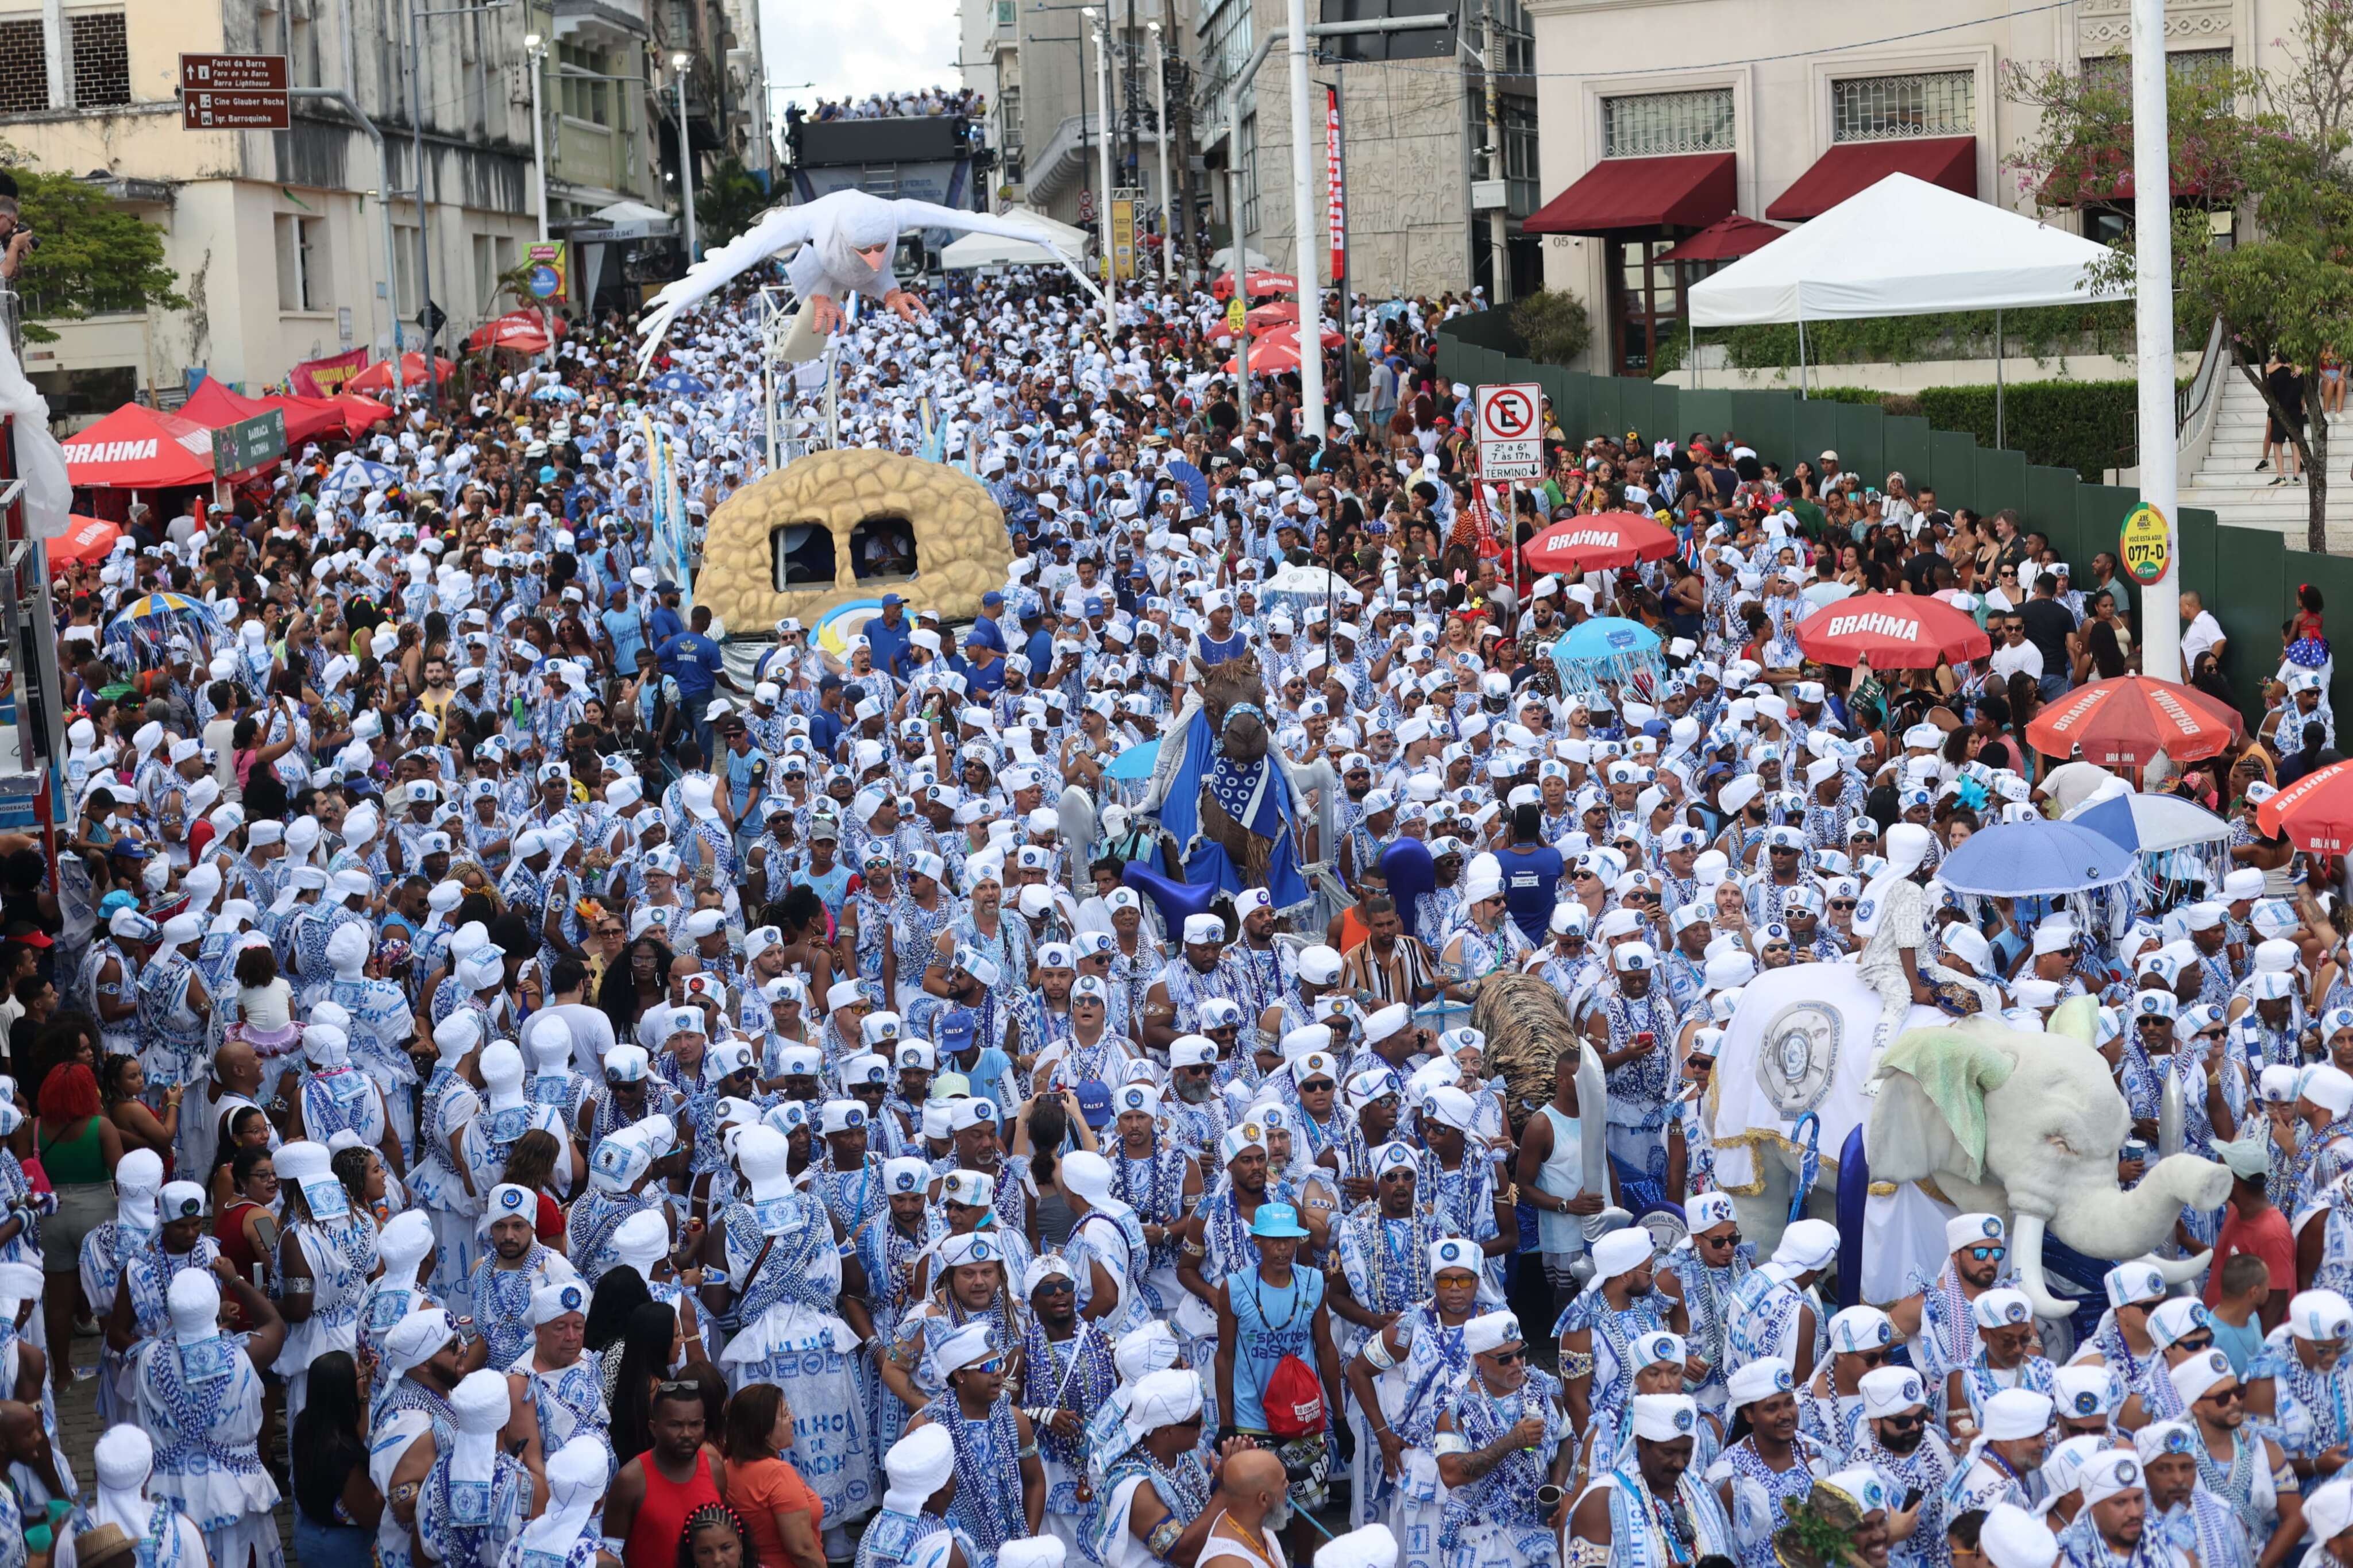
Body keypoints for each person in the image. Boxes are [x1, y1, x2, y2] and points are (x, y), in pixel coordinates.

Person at [606, 1379, 730, 1568]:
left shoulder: (715, 1471)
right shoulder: (630, 1481)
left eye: (695, 1425)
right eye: (675, 1425)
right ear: (654, 1428)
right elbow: (611, 1556)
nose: (687, 1434)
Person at [289, 1350, 381, 1568]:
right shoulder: (345, 1457)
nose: (363, 1376)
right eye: (358, 1375)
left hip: (309, 1532)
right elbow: (369, 1516)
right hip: (341, 1551)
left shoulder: (307, 1426)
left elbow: (355, 1434)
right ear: (344, 1393)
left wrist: (364, 1390)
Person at [721, 1383, 827, 1568]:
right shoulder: (777, 1474)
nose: (793, 1419)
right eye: (786, 1414)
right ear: (764, 1429)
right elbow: (802, 1551)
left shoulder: (728, 1466)